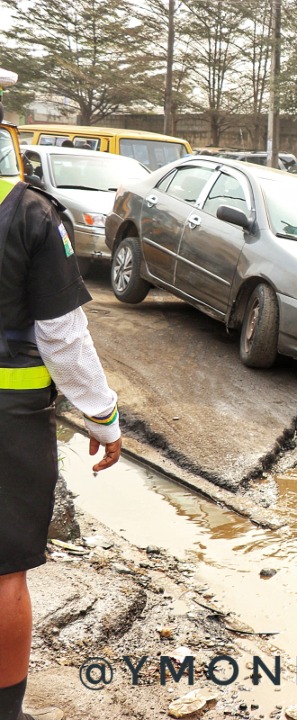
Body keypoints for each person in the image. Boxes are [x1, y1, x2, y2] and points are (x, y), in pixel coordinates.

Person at [0, 180, 123, 720]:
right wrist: (103, 416)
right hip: (9, 420)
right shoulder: (30, 213)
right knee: (4, 572)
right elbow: (61, 336)